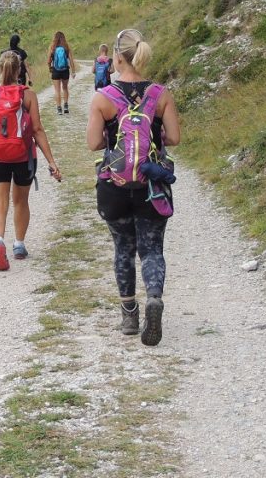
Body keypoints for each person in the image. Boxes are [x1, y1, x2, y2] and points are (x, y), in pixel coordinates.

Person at [86, 28, 181, 346]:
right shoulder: (161, 94)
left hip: (114, 187)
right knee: (152, 249)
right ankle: (154, 297)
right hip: (151, 186)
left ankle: (129, 314)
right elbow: (175, 138)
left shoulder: (103, 97)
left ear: (115, 57)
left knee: (123, 250)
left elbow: (93, 143)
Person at [0, 51, 62, 271]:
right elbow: (37, 130)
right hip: (24, 156)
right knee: (21, 201)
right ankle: (19, 245)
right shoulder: (28, 95)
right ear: (20, 71)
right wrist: (51, 162)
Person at [46, 31, 77, 114]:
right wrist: (73, 71)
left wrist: (50, 68)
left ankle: (59, 108)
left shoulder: (52, 47)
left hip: (55, 71)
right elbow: (71, 60)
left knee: (57, 90)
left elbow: (48, 60)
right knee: (65, 88)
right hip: (65, 70)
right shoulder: (66, 47)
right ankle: (66, 105)